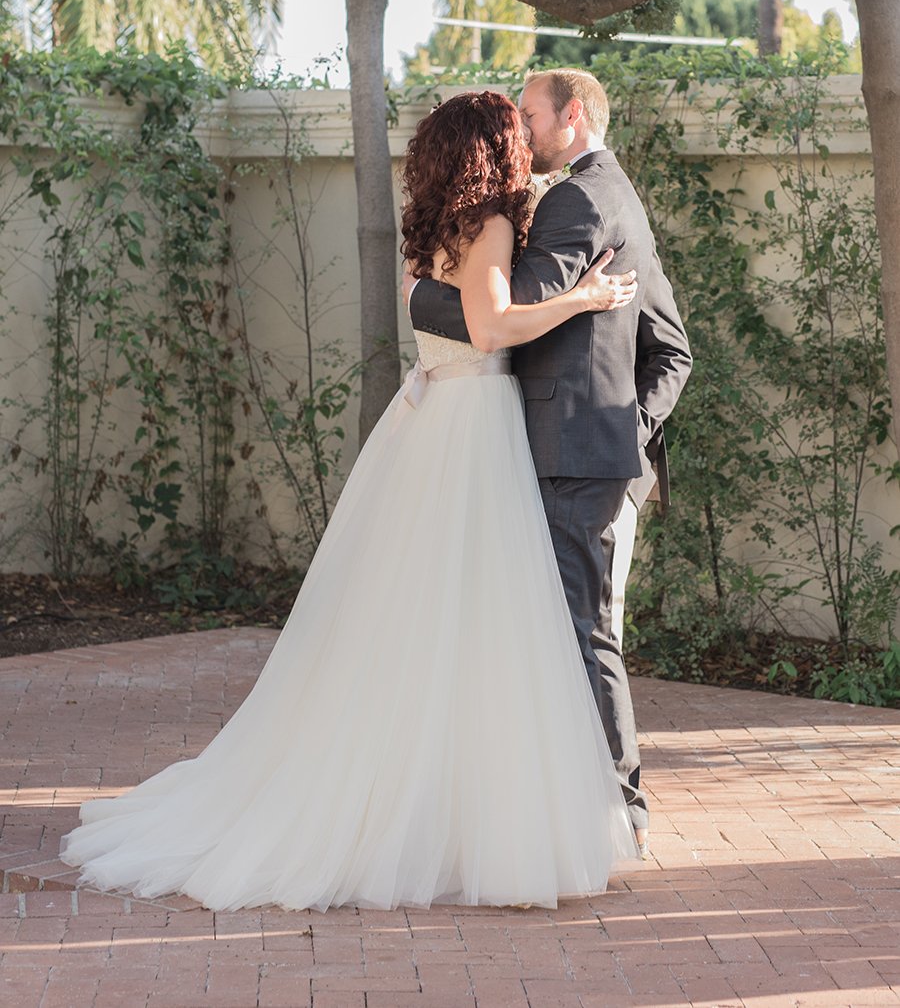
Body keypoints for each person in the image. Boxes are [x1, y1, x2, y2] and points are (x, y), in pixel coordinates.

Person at [59, 90, 641, 914]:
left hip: (432, 421)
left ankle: (425, 798)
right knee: (484, 623)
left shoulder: (437, 228)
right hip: (473, 429)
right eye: (513, 132)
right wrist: (583, 299)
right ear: (493, 149)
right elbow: (490, 327)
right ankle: (458, 815)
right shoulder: (496, 226)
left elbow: (435, 310)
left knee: (413, 623)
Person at [407, 69, 692, 858]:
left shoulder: (575, 200)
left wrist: (417, 295)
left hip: (573, 459)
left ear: (571, 114)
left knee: (580, 631)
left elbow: (497, 318)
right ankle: (567, 806)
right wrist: (627, 438)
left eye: (530, 115)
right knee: (554, 631)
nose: (523, 131)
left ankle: (620, 814)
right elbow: (674, 348)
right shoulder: (612, 194)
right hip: (573, 455)